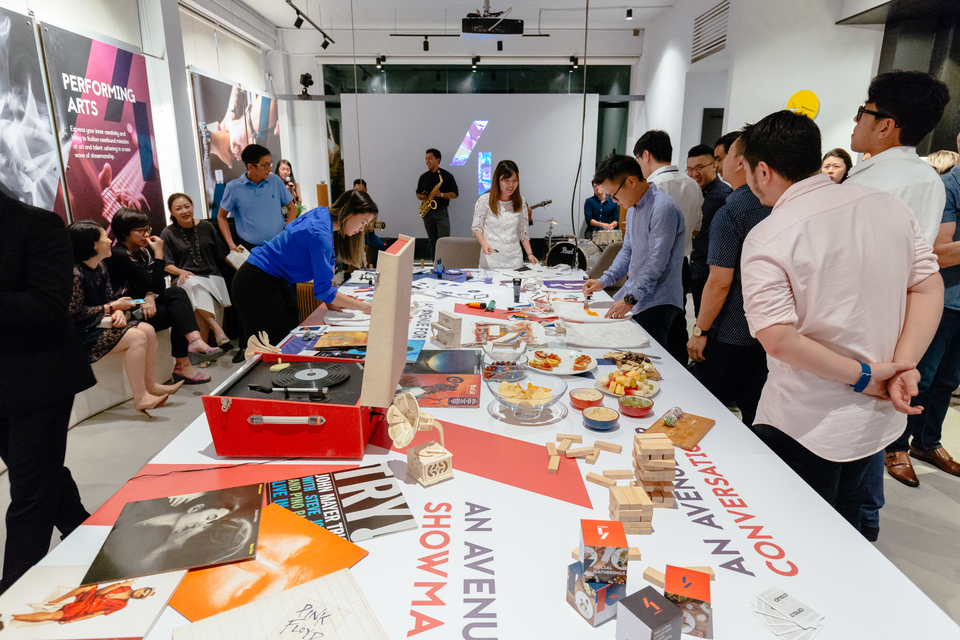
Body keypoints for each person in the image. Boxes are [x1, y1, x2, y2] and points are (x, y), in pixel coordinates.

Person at [739, 109, 943, 531]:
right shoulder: (888, 207)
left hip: (806, 420)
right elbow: (927, 286)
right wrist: (902, 365)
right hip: (878, 414)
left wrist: (864, 375)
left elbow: (778, 339)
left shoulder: (770, 234)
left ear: (763, 171)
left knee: (793, 536)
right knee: (848, 528)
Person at [845, 70, 950, 540]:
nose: (856, 122)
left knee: (851, 436)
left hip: (857, 327)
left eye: (863, 113)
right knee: (871, 429)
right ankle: (866, 520)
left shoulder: (874, 184)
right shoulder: (925, 177)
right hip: (894, 326)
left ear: (886, 124)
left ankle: (857, 525)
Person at [0, 192, 96, 594]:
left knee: (29, 490)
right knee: (38, 471)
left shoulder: (38, 224)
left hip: (38, 376)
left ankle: (15, 593)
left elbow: (48, 305)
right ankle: (84, 532)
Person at [687, 133, 771, 428]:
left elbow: (720, 281)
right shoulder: (779, 206)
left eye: (721, 159)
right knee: (754, 407)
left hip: (731, 329)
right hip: (767, 330)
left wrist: (700, 330)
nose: (718, 166)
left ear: (740, 162)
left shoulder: (732, 210)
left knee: (705, 410)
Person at [232, 190, 377, 350]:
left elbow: (325, 277)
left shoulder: (323, 215)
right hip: (255, 282)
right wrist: (368, 308)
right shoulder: (320, 234)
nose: (362, 229)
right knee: (271, 346)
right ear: (349, 213)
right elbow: (324, 290)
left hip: (273, 279)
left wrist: (331, 302)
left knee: (286, 338)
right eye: (363, 222)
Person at [68, 221, 183, 413]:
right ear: (93, 244)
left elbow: (110, 298)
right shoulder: (74, 273)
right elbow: (74, 314)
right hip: (81, 332)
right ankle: (140, 397)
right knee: (136, 337)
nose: (110, 241)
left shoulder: (101, 267)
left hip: (98, 323)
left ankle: (152, 385)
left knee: (148, 330)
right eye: (105, 237)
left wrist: (118, 311)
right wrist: (112, 308)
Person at [107, 208, 221, 385]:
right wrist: (159, 254)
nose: (146, 235)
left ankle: (194, 342)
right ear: (124, 232)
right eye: (141, 231)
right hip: (127, 307)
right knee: (176, 311)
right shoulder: (119, 254)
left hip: (142, 302)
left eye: (147, 229)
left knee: (177, 294)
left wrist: (150, 296)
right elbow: (153, 283)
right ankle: (184, 364)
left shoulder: (142, 251)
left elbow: (155, 286)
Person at [583, 155, 685, 348]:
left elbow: (656, 263)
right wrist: (603, 280)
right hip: (636, 296)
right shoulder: (632, 209)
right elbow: (627, 250)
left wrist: (629, 299)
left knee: (645, 357)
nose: (614, 201)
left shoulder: (663, 208)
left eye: (614, 195)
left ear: (630, 182)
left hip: (658, 301)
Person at [633, 130, 702, 364]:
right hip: (681, 265)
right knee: (677, 325)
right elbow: (696, 227)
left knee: (651, 330)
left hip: (654, 268)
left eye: (638, 160)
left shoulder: (652, 187)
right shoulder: (692, 185)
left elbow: (644, 240)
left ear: (646, 155)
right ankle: (680, 371)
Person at [161, 193, 233, 358]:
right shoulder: (167, 233)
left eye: (187, 206)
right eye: (178, 208)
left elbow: (221, 254)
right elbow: (166, 264)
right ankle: (216, 329)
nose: (184, 211)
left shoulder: (207, 227)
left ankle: (202, 349)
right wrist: (181, 271)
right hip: (184, 278)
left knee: (199, 295)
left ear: (192, 207)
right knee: (193, 285)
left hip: (212, 277)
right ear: (171, 212)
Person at [217, 144, 297, 252]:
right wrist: (231, 244)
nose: (270, 169)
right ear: (250, 166)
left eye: (270, 164)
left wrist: (286, 231)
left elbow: (292, 208)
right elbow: (221, 217)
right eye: (265, 165)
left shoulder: (276, 181)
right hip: (250, 249)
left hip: (278, 246)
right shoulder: (233, 188)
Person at [688, 143, 734, 316]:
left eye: (700, 167)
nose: (694, 174)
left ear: (714, 165)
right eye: (690, 169)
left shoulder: (724, 196)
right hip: (696, 269)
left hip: (713, 273)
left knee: (710, 321)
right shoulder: (693, 193)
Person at [472, 160, 539, 269]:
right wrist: (484, 244)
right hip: (491, 259)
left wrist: (530, 254)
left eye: (515, 180)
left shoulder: (521, 202)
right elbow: (476, 228)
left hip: (515, 260)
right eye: (506, 180)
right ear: (497, 180)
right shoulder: (484, 200)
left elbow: (523, 232)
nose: (511, 185)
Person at [10, 580, 155, 624]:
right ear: (142, 587)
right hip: (89, 597)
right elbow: (99, 592)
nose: (141, 593)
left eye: (143, 595)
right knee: (92, 585)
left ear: (140, 598)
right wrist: (120, 584)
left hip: (84, 608)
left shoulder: (122, 605)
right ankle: (54, 601)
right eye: (144, 590)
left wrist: (72, 620)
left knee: (54, 616)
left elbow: (96, 614)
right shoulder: (124, 586)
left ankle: (11, 617)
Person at [416, 148, 459, 259]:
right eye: (426, 159)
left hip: (441, 212)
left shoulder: (447, 176)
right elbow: (418, 193)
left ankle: (444, 264)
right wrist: (422, 197)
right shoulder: (423, 177)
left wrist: (441, 194)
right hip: (427, 213)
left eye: (430, 158)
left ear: (437, 160)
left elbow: (455, 194)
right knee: (432, 241)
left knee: (444, 241)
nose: (427, 162)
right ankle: (435, 265)